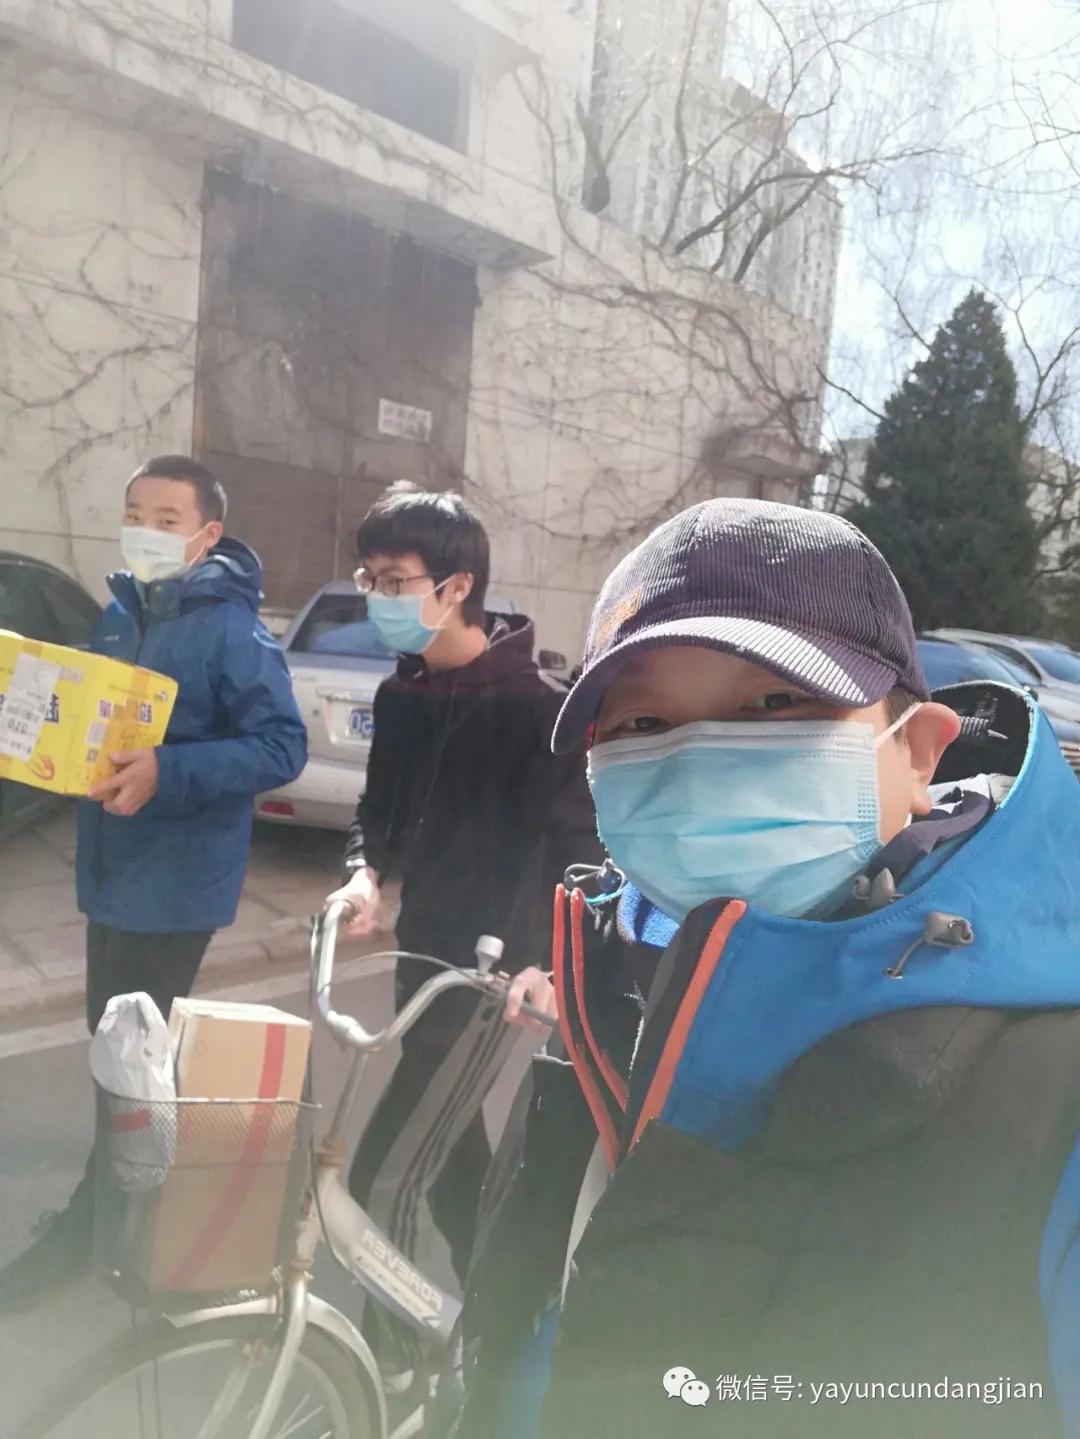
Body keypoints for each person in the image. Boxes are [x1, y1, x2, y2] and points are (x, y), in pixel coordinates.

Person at [446, 497, 1080, 1439]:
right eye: (643, 720)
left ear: (918, 753)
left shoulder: (1055, 1105)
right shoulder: (606, 1002)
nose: (698, 756)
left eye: (778, 703)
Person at [0, 454, 307, 1307]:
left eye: (167, 519)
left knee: (131, 1070)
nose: (145, 531)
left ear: (207, 533)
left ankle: (94, 1235)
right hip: (112, 873)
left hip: (175, 888)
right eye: (135, 513)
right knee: (118, 1057)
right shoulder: (121, 611)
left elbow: (283, 745)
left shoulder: (233, 631)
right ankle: (128, 1222)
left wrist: (169, 771)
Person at [324, 481, 599, 1380]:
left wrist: (546, 962)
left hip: (492, 974)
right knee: (450, 1160)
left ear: (456, 587)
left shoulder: (538, 707)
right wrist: (365, 873)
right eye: (369, 577)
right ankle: (511, 1320)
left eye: (395, 579)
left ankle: (396, 1369)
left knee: (384, 1177)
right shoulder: (404, 695)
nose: (377, 595)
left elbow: (581, 848)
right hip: (421, 953)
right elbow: (378, 813)